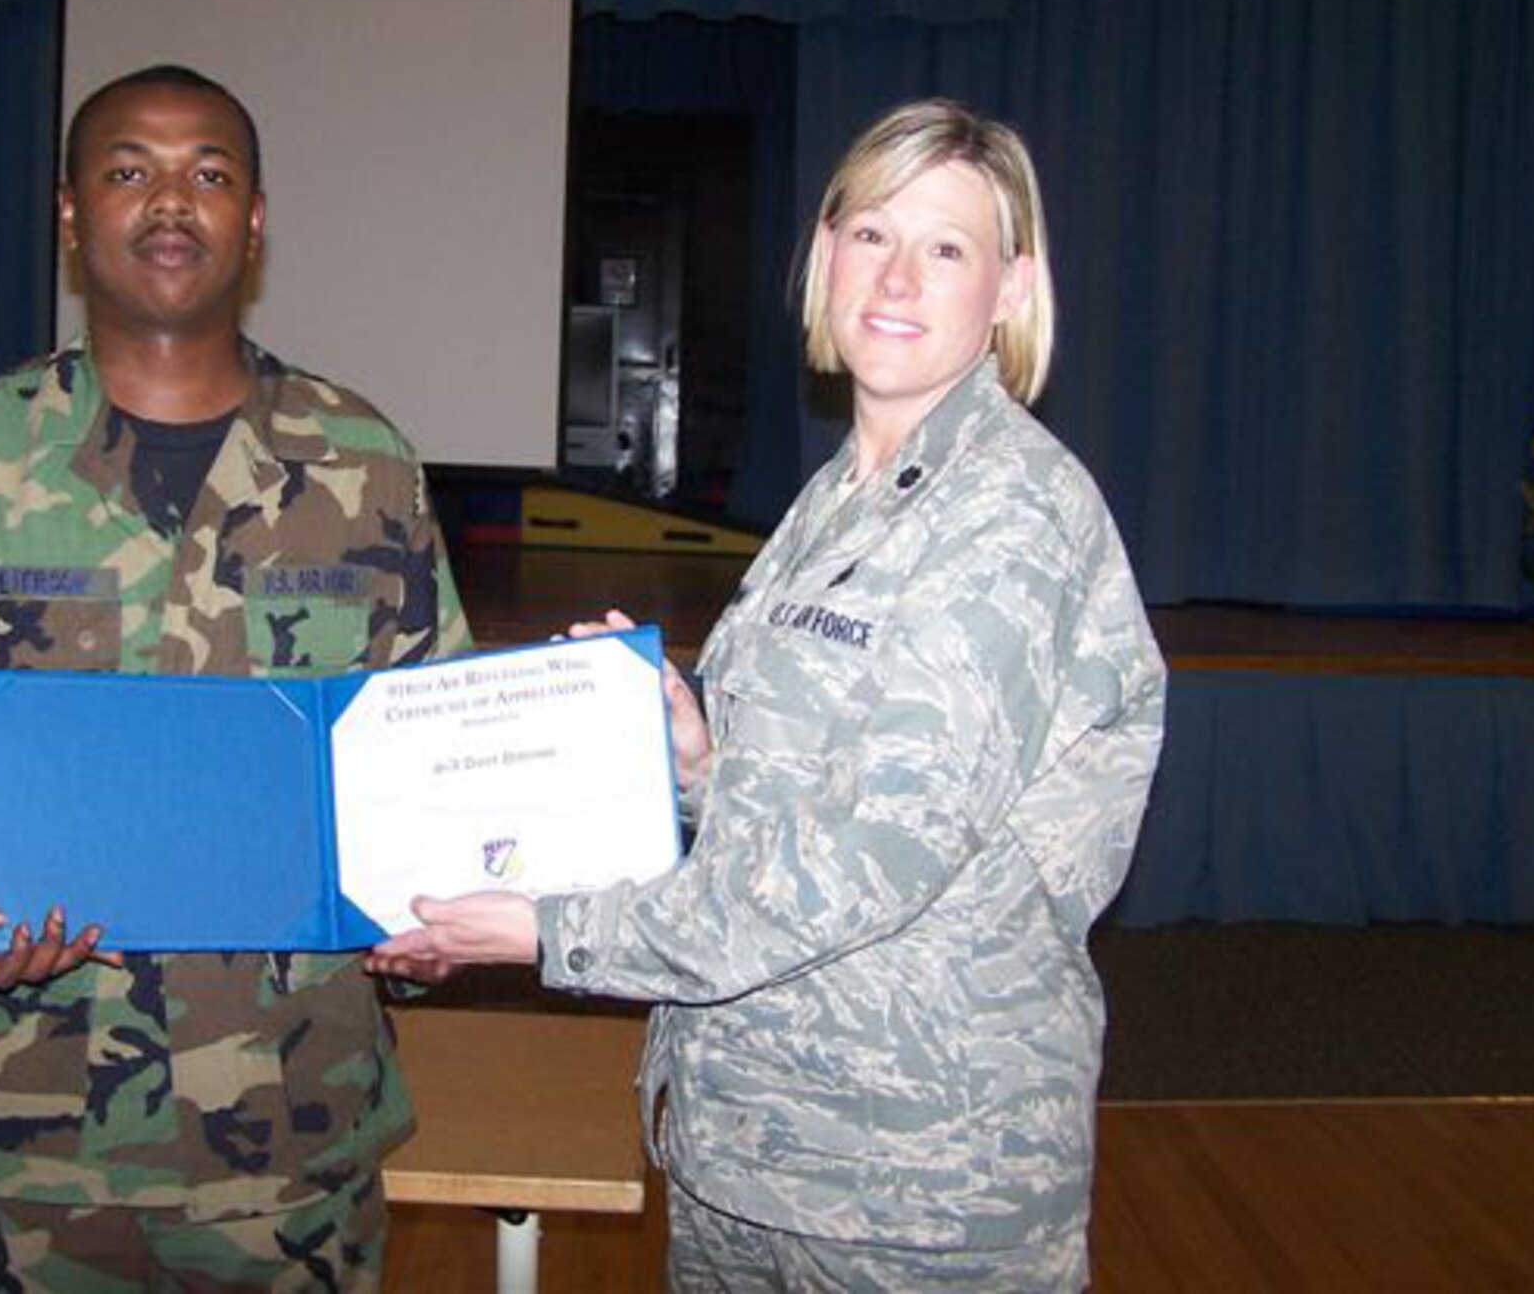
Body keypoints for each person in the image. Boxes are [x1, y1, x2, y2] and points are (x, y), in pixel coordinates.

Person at [371, 99, 1166, 1290]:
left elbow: (863, 866)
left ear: (1009, 289)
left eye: (945, 248)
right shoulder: (842, 496)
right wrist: (697, 758)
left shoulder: (1007, 517)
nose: (895, 277)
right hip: (754, 1149)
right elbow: (800, 796)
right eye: (869, 233)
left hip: (912, 1186)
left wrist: (546, 929)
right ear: (823, 252)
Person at [0, 63, 471, 1290]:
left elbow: (431, 735)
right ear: (71, 214)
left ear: (254, 221)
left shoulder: (362, 464)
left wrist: (440, 891)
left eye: (209, 174)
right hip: (11, 1133)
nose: (169, 202)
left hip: (286, 1136)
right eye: (128, 170)